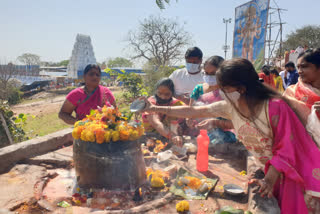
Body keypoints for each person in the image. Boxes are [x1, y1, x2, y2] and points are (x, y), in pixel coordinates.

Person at [141, 58, 320, 214]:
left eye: (223, 87)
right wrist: (155, 108)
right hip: (268, 171)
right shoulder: (231, 106)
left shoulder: (274, 107)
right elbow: (194, 110)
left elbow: (286, 148)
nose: (220, 91)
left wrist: (268, 180)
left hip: (291, 175)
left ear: (241, 87)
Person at [188, 55, 235, 142]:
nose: (209, 76)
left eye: (213, 73)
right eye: (206, 73)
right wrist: (189, 120)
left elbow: (236, 120)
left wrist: (216, 123)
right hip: (199, 133)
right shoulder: (198, 89)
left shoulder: (230, 92)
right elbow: (190, 112)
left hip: (225, 135)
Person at [284, 48, 320, 147]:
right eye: (298, 67)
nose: (299, 71)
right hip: (302, 150)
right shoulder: (292, 93)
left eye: (304, 67)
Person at [142, 78, 185, 146]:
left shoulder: (177, 104)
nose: (163, 97)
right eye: (159, 93)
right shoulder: (150, 103)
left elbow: (188, 114)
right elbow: (156, 123)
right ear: (156, 91)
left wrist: (188, 122)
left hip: (172, 140)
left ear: (172, 93)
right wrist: (172, 136)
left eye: (167, 94)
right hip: (152, 139)